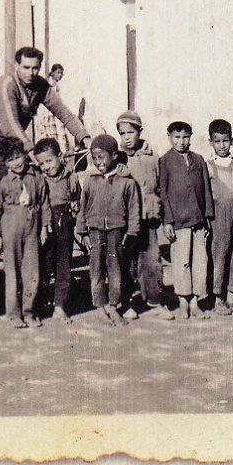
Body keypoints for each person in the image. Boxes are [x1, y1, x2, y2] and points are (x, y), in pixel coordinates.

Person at [0, 47, 89, 181]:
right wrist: (30, 148)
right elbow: (10, 124)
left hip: (16, 141)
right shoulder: (7, 84)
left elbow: (64, 113)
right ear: (16, 65)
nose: (30, 73)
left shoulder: (41, 85)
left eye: (35, 68)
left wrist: (85, 138)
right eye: (26, 67)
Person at [76, 134, 140, 326]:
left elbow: (134, 208)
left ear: (113, 156)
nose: (98, 162)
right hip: (95, 232)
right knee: (96, 271)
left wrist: (131, 232)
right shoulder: (90, 180)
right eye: (94, 158)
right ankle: (100, 306)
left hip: (116, 232)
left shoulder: (126, 181)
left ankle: (114, 306)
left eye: (101, 157)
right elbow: (83, 207)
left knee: (115, 271)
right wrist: (82, 232)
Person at [116, 111, 174, 321]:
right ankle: (125, 302)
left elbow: (159, 185)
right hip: (126, 220)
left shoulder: (152, 156)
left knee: (152, 261)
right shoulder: (119, 157)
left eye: (131, 132)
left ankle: (155, 300)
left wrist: (158, 209)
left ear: (140, 131)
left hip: (148, 218)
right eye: (123, 134)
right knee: (126, 262)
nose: (127, 137)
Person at [159, 121, 215, 320]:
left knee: (200, 261)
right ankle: (183, 302)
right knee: (182, 262)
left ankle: (195, 303)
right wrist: (168, 221)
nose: (181, 141)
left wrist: (208, 217)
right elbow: (163, 193)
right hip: (178, 223)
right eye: (177, 137)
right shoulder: (164, 161)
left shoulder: (198, 160)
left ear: (190, 137)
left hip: (198, 220)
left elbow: (207, 190)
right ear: (169, 137)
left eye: (185, 137)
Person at [0, 137, 51, 328]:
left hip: (32, 230)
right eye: (11, 159)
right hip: (10, 230)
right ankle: (13, 314)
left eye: (19, 156)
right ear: (5, 163)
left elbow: (44, 202)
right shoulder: (4, 182)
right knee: (11, 274)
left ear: (25, 155)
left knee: (32, 272)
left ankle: (29, 311)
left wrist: (44, 227)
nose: (16, 162)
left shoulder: (36, 177)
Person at [34, 137, 80, 323]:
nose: (46, 166)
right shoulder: (38, 180)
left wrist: (76, 205)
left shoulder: (71, 176)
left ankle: (59, 306)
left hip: (64, 223)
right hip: (44, 225)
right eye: (42, 163)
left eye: (49, 160)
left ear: (60, 157)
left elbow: (77, 196)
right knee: (43, 266)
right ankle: (39, 305)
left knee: (63, 265)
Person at [206, 119, 233, 315]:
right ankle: (217, 298)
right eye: (217, 142)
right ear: (211, 142)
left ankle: (232, 296)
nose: (222, 146)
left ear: (232, 140)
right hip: (218, 214)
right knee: (219, 254)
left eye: (225, 141)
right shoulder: (208, 166)